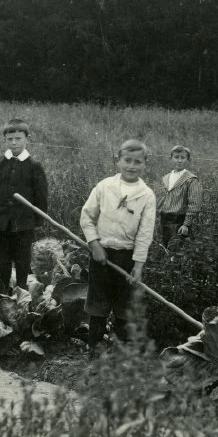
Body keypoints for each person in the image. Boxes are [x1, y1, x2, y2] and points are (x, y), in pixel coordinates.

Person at [80, 139, 157, 349]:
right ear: (118, 161)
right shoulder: (105, 187)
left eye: (137, 162)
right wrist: (95, 244)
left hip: (127, 257)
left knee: (124, 306)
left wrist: (138, 265)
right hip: (101, 255)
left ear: (145, 164)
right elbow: (86, 217)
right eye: (127, 160)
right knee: (98, 305)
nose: (132, 166)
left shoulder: (147, 195)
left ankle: (119, 354)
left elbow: (144, 233)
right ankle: (94, 350)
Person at [0, 118, 48, 291]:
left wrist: (38, 221)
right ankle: (3, 289)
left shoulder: (34, 166)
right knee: (3, 258)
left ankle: (21, 289)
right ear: (5, 140)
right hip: (0, 221)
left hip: (24, 223)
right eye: (10, 139)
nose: (14, 142)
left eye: (18, 138)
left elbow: (41, 196)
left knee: (22, 258)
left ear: (27, 139)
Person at [156, 144, 202, 248]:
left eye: (183, 158)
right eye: (176, 157)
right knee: (164, 247)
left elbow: (194, 204)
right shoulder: (166, 178)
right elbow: (161, 199)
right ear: (171, 159)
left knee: (176, 248)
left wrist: (186, 224)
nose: (179, 160)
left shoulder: (190, 179)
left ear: (188, 160)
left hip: (178, 220)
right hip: (164, 219)